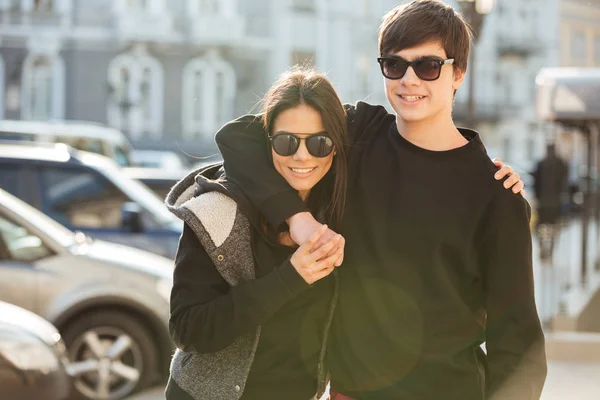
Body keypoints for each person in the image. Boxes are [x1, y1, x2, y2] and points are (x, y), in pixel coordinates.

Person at [214, 1, 546, 399]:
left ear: (457, 73)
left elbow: (519, 340)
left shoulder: (496, 195)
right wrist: (296, 217)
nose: (409, 80)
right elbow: (238, 138)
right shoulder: (358, 134)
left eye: (427, 66)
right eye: (394, 65)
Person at [165, 68, 347, 400]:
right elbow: (187, 331)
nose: (302, 155)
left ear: (335, 148)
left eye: (320, 143)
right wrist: (291, 277)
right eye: (286, 141)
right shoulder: (218, 214)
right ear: (267, 144)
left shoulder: (338, 214)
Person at [532, 143, 569, 261]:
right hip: (556, 202)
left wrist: (537, 198)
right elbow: (565, 182)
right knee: (554, 227)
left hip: (543, 202)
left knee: (540, 227)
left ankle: (543, 247)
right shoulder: (561, 164)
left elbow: (535, 184)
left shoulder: (541, 163)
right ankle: (551, 250)